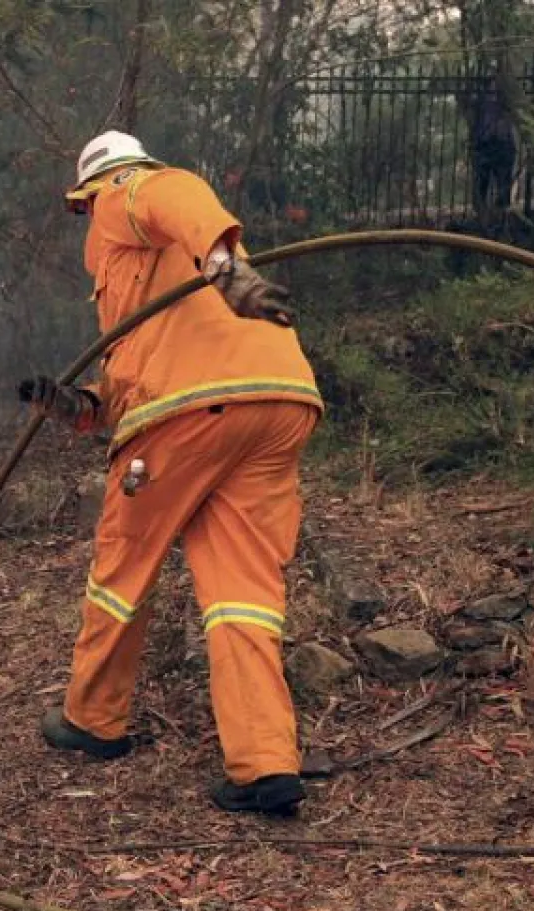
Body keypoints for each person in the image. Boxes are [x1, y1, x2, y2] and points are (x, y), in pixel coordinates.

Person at [19, 131, 324, 816]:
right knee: (241, 590)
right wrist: (71, 406)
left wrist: (233, 274)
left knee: (122, 565)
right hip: (276, 402)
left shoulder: (127, 192)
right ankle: (263, 762)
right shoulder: (159, 286)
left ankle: (93, 719)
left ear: (89, 191)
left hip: (193, 413)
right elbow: (128, 392)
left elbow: (175, 191)